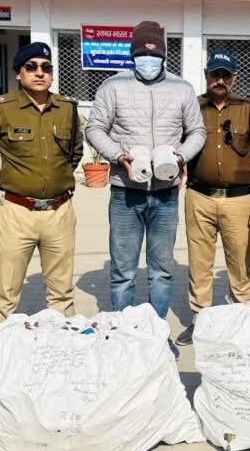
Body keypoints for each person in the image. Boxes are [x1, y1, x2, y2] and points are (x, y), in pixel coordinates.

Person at [86, 21, 206, 356]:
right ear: (132, 55)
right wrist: (118, 155)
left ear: (164, 56)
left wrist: (180, 156)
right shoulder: (113, 86)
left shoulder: (182, 89)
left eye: (154, 54)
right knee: (123, 272)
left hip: (165, 194)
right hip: (125, 192)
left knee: (161, 271)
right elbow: (95, 128)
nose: (148, 60)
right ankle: (124, 339)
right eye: (141, 54)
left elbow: (197, 131)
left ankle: (156, 336)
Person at [0, 42, 84, 333]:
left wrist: (56, 178)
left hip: (59, 212)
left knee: (62, 293)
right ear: (18, 74)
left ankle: (62, 351)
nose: (39, 73)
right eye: (31, 67)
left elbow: (75, 152)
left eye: (46, 67)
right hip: (17, 213)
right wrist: (4, 183)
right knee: (6, 294)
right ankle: (2, 353)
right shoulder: (1, 109)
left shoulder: (67, 109)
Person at [174, 48, 250, 346]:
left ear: (234, 78)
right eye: (215, 74)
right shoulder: (193, 107)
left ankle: (242, 319)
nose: (220, 80)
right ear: (206, 75)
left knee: (239, 263)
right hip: (199, 196)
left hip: (238, 200)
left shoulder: (247, 110)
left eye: (226, 75)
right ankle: (200, 320)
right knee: (199, 263)